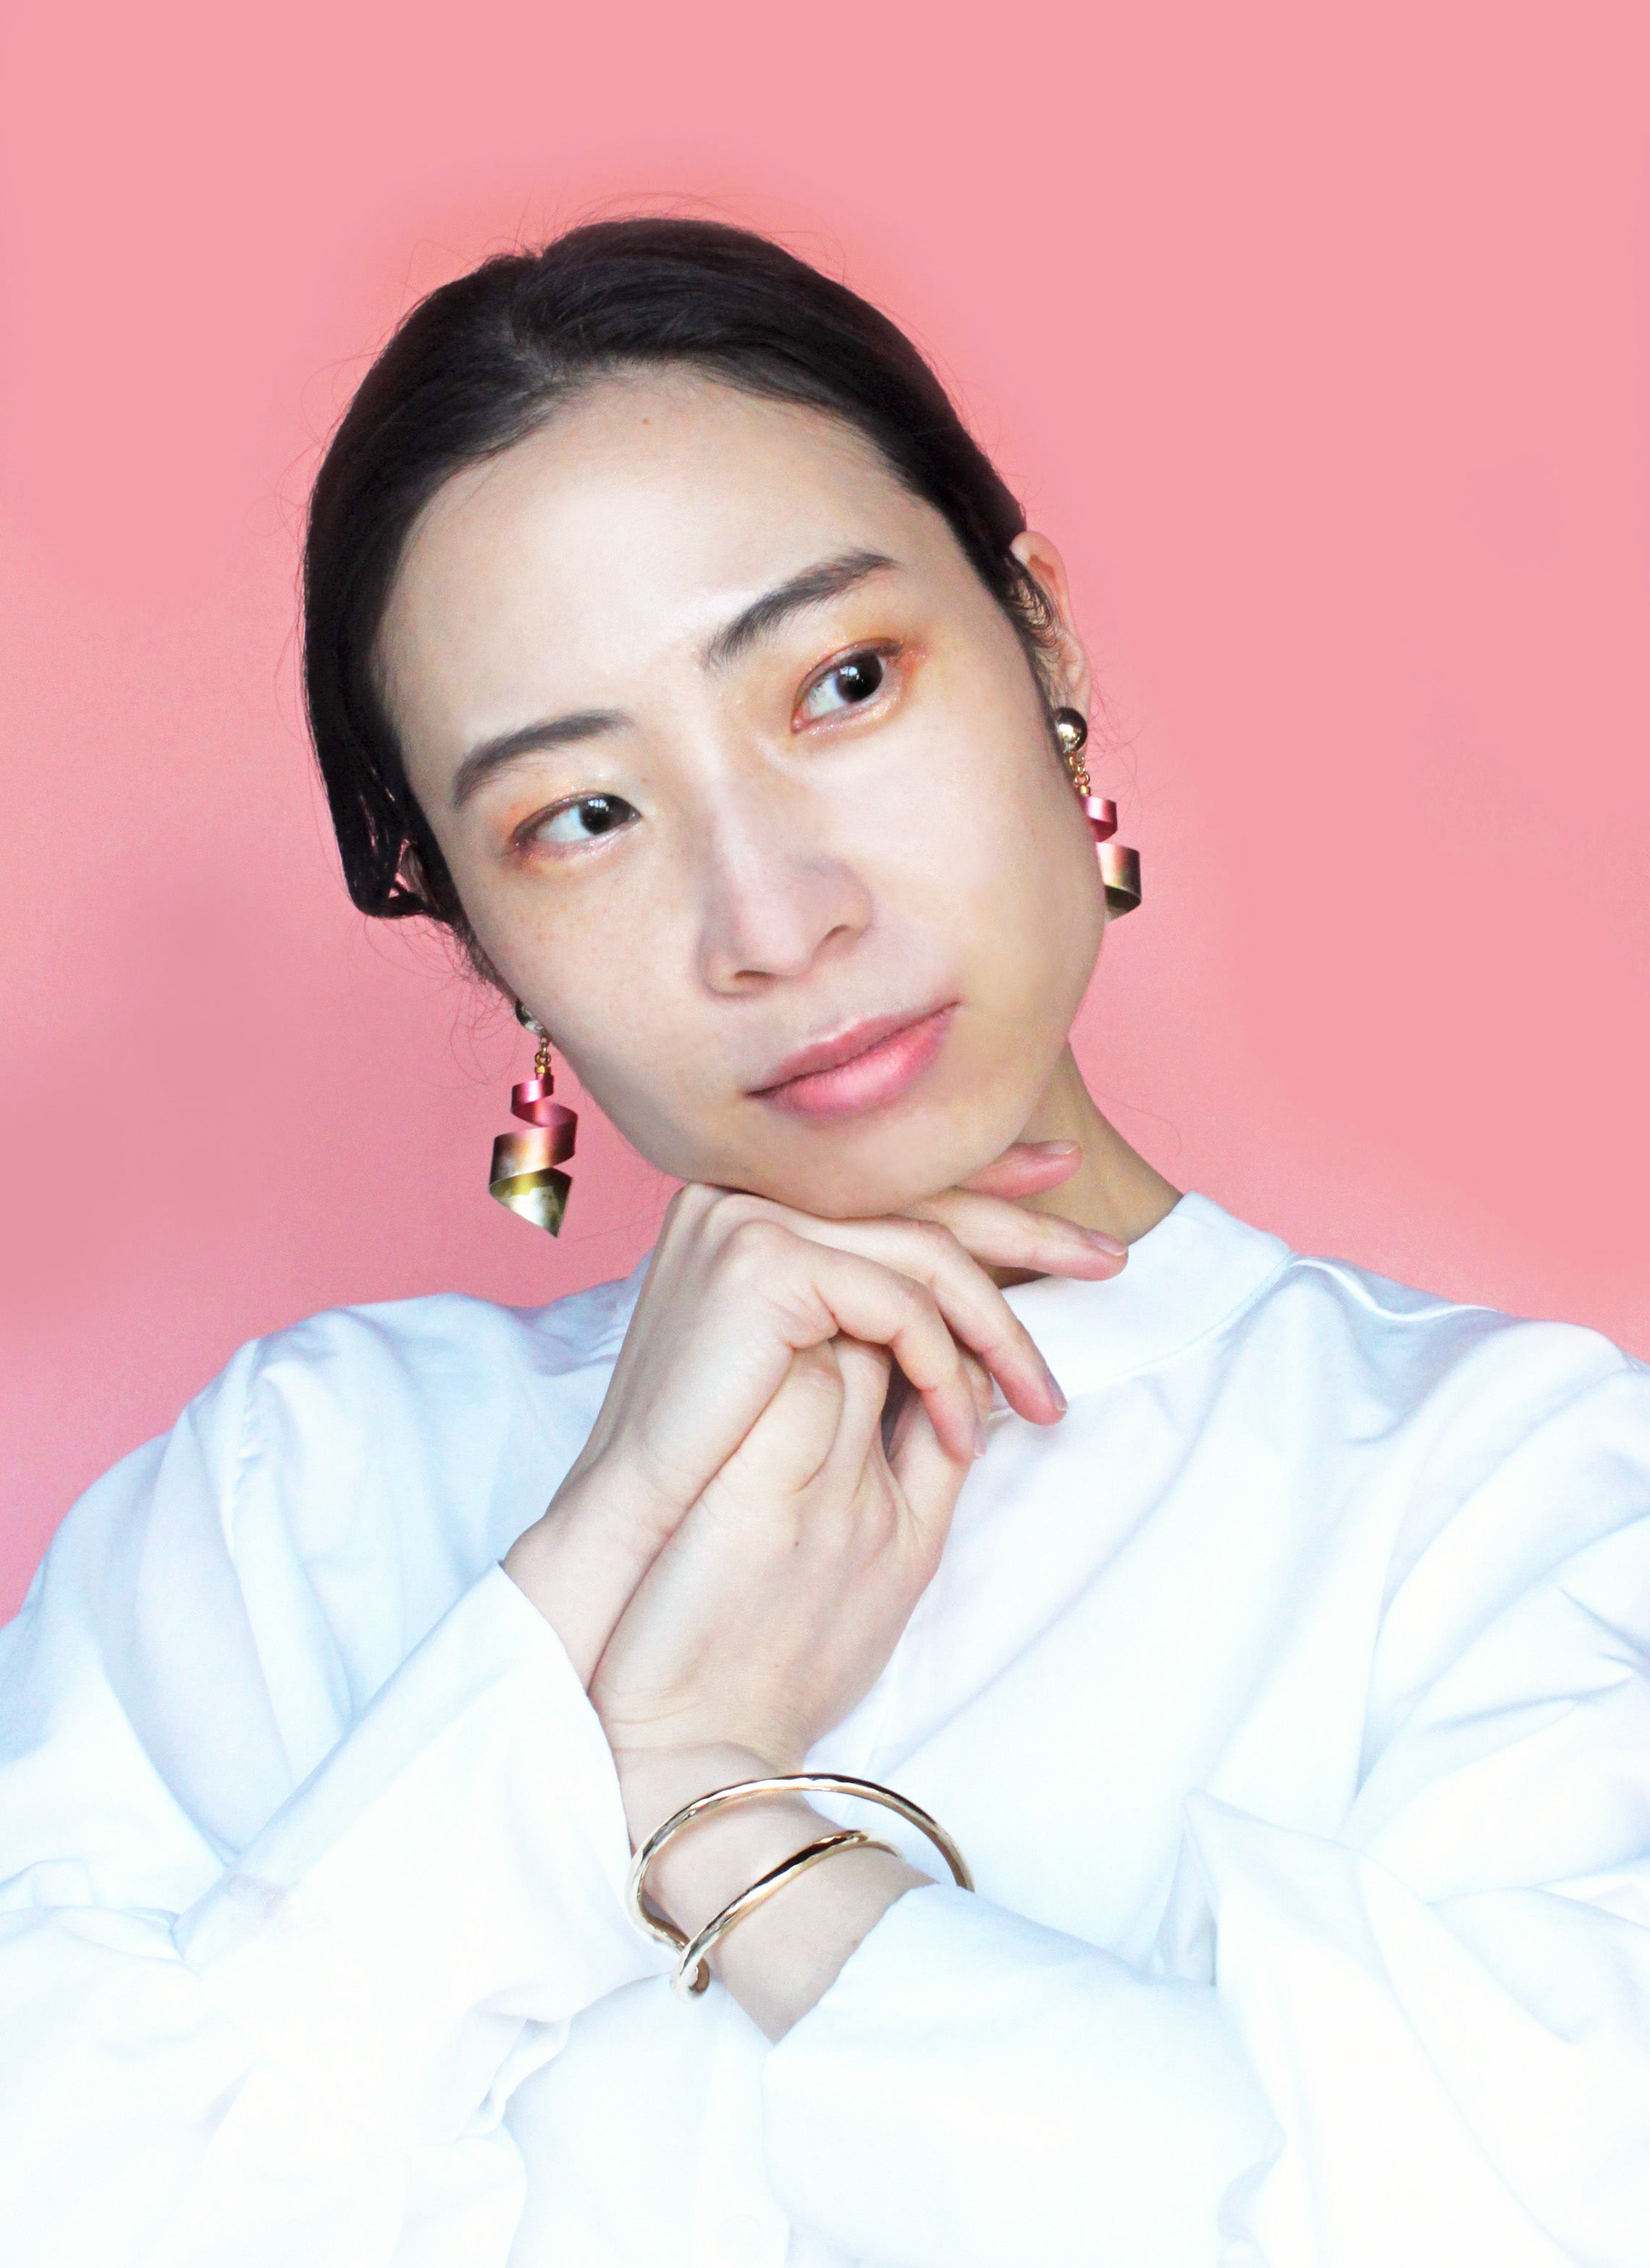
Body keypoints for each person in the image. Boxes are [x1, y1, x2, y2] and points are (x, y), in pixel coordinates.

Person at [2, 217, 1646, 2268]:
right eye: (581, 816)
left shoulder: (1515, 1501)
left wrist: (713, 1807)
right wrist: (566, 1613)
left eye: (844, 685)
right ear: (474, 927)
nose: (774, 918)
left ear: (1039, 643)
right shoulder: (294, 1500)